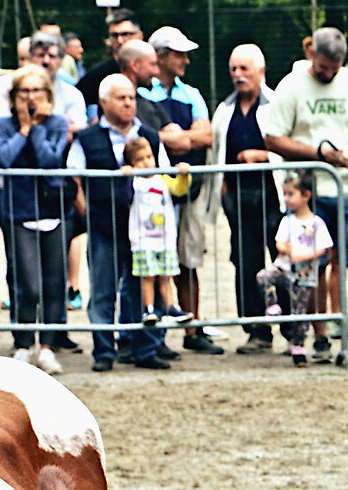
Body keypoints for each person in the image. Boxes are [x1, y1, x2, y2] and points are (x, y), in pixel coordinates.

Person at [266, 26, 348, 362]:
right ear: (311, 55)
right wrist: (318, 155)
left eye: (334, 68)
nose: (328, 73)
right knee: (313, 267)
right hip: (309, 193)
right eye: (323, 67)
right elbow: (273, 138)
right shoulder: (291, 86)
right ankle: (320, 335)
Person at [67, 70, 166, 371]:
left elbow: (164, 174)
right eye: (121, 98)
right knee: (103, 291)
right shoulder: (86, 138)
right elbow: (74, 178)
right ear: (103, 103)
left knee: (143, 289)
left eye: (132, 98)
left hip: (144, 228)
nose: (128, 103)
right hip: (104, 226)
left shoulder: (149, 136)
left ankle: (146, 349)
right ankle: (104, 351)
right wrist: (87, 211)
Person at [0, 64, 74, 371]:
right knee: (28, 283)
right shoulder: (1, 125)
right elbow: (4, 159)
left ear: (47, 94)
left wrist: (36, 128)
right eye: (24, 91)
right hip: (18, 211)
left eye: (37, 90)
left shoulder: (56, 124)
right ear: (13, 97)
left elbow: (50, 160)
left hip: (53, 210)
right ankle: (23, 342)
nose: (30, 97)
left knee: (54, 282)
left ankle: (47, 345)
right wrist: (24, 129)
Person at [202, 44, 286, 352]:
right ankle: (257, 330)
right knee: (245, 264)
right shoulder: (224, 110)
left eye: (244, 69)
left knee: (283, 262)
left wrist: (262, 155)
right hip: (237, 198)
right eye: (234, 69)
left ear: (260, 71)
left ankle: (293, 331)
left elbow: (289, 146)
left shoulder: (278, 104)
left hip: (274, 195)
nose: (238, 75)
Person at [141, 28, 216, 348]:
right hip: (153, 195)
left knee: (188, 258)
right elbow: (156, 137)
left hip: (189, 190)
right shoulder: (143, 95)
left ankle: (191, 327)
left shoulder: (192, 93)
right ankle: (156, 337)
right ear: (160, 56)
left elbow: (205, 136)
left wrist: (174, 137)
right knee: (153, 263)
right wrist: (181, 137)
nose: (186, 59)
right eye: (179, 53)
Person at [261, 167, 333, 362]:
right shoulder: (286, 221)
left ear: (306, 195)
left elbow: (323, 248)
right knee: (264, 276)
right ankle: (272, 304)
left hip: (304, 274)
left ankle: (298, 347)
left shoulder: (317, 223)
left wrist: (302, 256)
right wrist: (287, 250)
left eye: (290, 194)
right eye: (284, 193)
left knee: (300, 311)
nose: (286, 198)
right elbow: (279, 243)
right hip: (285, 268)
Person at [122, 131, 183, 334]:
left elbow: (179, 189)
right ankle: (149, 309)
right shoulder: (135, 182)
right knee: (148, 277)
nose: (146, 163)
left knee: (165, 276)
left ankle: (170, 307)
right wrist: (126, 177)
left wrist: (184, 174)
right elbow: (125, 196)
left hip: (164, 238)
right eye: (139, 160)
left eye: (149, 157)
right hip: (143, 239)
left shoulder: (162, 178)